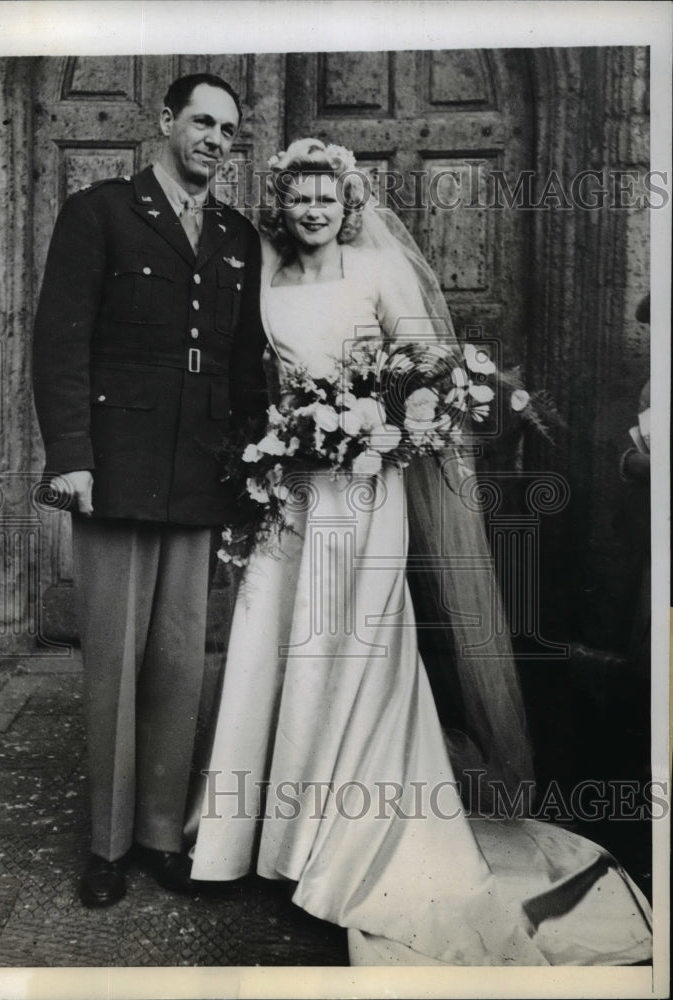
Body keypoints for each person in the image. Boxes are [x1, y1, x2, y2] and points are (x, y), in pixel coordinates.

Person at [188, 139, 652, 965]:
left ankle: (339, 841)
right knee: (272, 642)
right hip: (292, 486)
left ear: (349, 204)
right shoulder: (267, 273)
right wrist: (284, 438)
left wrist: (377, 421)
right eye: (299, 199)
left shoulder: (376, 273)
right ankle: (251, 836)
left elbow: (429, 366)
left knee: (352, 650)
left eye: (326, 199)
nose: (312, 212)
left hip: (364, 487)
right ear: (282, 204)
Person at [32, 73, 267, 908]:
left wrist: (247, 466)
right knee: (114, 663)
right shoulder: (99, 212)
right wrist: (71, 455)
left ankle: (163, 834)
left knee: (179, 661)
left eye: (228, 130)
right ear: (165, 121)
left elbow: (245, 367)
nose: (214, 138)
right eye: (201, 121)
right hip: (117, 465)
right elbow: (61, 341)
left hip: (200, 469)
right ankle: (105, 845)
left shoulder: (239, 235)